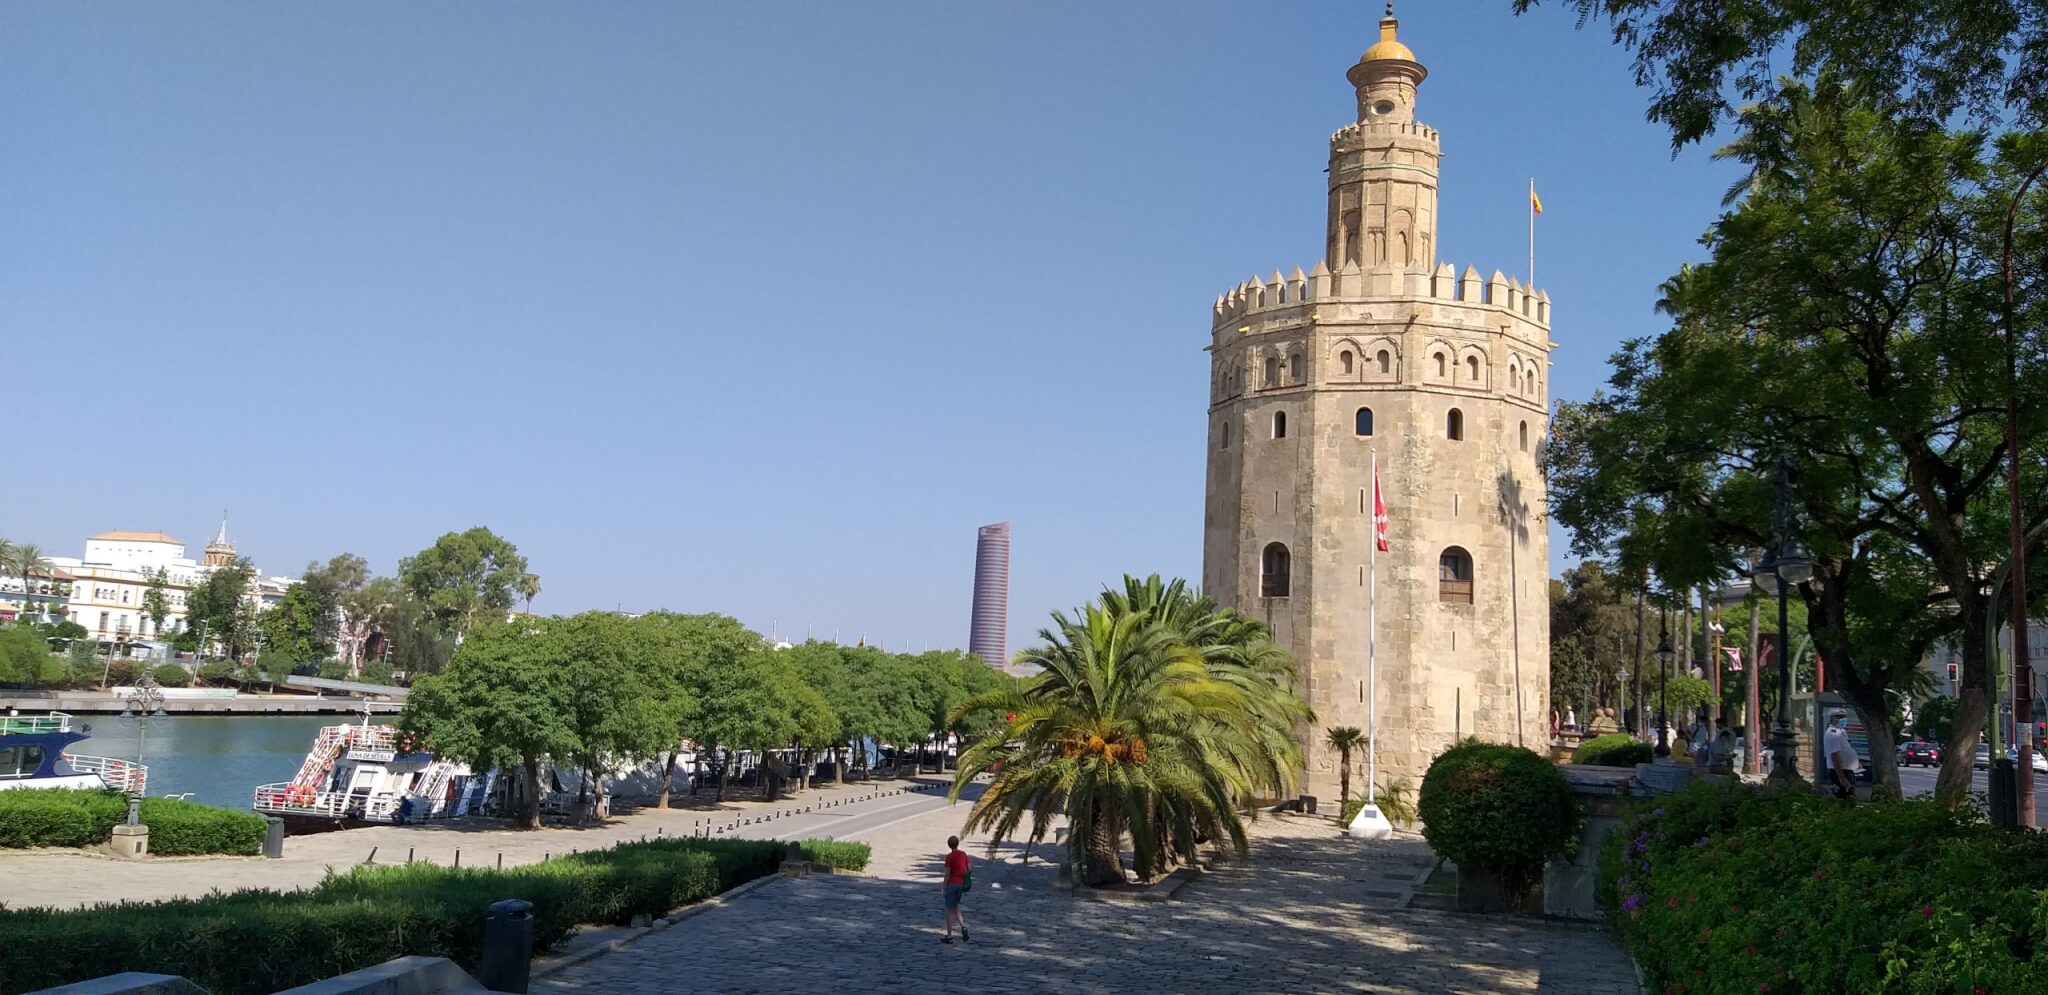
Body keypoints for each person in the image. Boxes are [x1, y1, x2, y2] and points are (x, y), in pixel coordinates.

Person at [941, 834, 970, 944]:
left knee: (949, 911)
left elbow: (947, 873)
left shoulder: (949, 857)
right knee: (956, 907)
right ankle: (963, 927)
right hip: (960, 884)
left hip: (952, 884)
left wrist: (944, 886)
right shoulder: (963, 854)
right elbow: (968, 869)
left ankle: (949, 936)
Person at [1823, 709, 1859, 799]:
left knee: (1850, 797)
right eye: (1838, 717)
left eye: (1843, 717)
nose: (1842, 719)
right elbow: (1834, 756)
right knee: (1844, 798)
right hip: (1840, 771)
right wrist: (1842, 778)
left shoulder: (1841, 732)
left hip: (1847, 770)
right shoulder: (1833, 733)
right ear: (1831, 718)